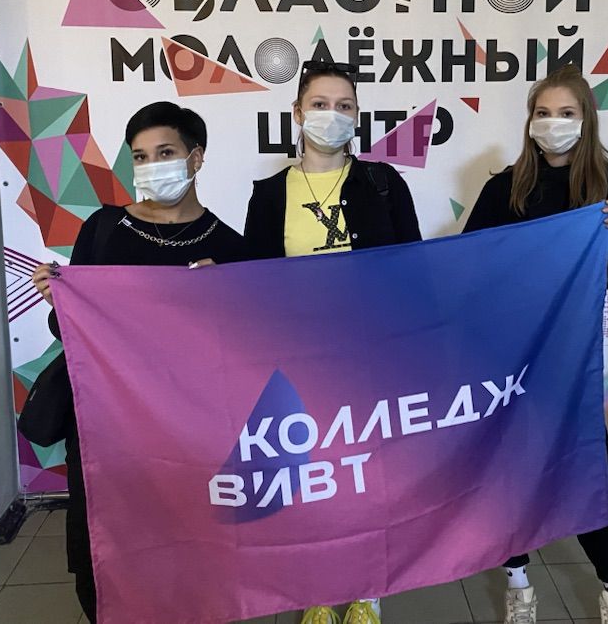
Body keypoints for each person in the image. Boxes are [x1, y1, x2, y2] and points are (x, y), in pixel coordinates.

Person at [24, 102, 247, 622]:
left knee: (190, 550)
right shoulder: (103, 229)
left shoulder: (230, 248)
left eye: (165, 152)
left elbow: (244, 347)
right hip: (105, 427)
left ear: (196, 158)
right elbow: (70, 332)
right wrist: (61, 302)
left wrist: (227, 296)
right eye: (140, 156)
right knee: (104, 551)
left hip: (191, 432)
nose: (151, 166)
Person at [244, 59, 422, 624]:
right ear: (297, 113)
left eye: (344, 106)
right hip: (299, 361)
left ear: (357, 116)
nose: (332, 115)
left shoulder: (383, 184)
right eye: (320, 104)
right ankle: (317, 588)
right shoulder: (269, 194)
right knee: (311, 476)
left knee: (369, 476)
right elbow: (251, 285)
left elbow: (414, 272)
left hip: (372, 358)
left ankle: (367, 590)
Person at [462, 64, 608, 624]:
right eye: (543, 113)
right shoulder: (503, 188)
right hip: (508, 362)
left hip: (573, 364)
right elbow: (466, 271)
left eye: (566, 113)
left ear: (587, 120)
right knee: (510, 477)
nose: (553, 122)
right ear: (529, 120)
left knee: (589, 479)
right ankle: (518, 584)